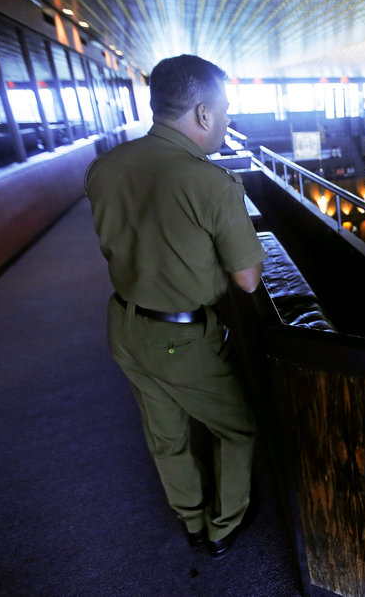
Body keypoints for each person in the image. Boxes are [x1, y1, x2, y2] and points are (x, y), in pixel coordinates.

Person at [85, 55, 267, 558]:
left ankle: (189, 517)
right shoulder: (209, 181)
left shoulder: (104, 167)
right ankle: (223, 526)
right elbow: (249, 280)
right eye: (225, 110)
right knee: (237, 427)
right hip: (181, 338)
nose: (228, 120)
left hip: (123, 323)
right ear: (204, 115)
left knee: (164, 432)